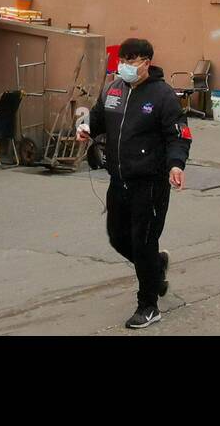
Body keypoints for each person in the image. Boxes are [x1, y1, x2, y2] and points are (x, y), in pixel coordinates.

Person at [79, 38, 191, 329]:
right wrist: (86, 128)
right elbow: (98, 118)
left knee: (143, 242)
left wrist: (176, 165)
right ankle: (155, 266)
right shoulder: (114, 89)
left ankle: (148, 305)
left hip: (150, 183)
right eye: (124, 60)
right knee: (117, 237)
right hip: (119, 179)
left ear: (146, 63)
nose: (126, 66)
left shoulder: (163, 95)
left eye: (133, 60)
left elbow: (178, 134)